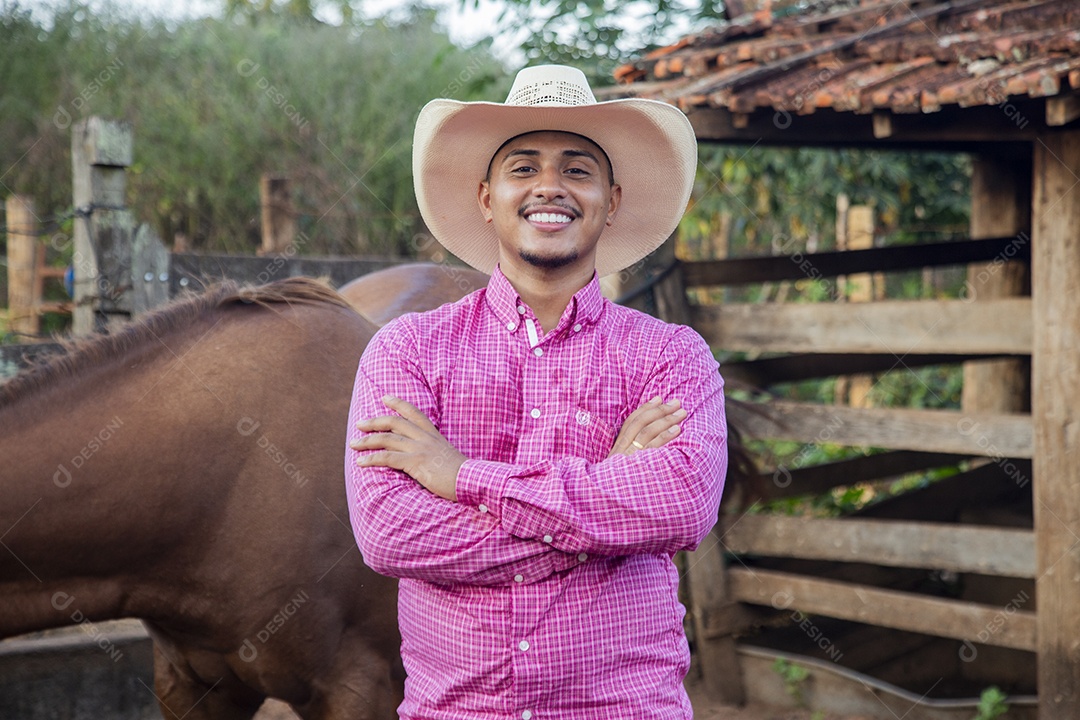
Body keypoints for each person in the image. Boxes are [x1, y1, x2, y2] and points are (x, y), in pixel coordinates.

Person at [345, 64, 728, 719]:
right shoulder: (406, 351)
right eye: (523, 168)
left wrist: (461, 476)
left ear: (611, 201)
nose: (550, 185)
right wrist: (606, 500)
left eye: (577, 169)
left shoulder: (671, 356)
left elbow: (682, 507)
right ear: (486, 198)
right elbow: (390, 535)